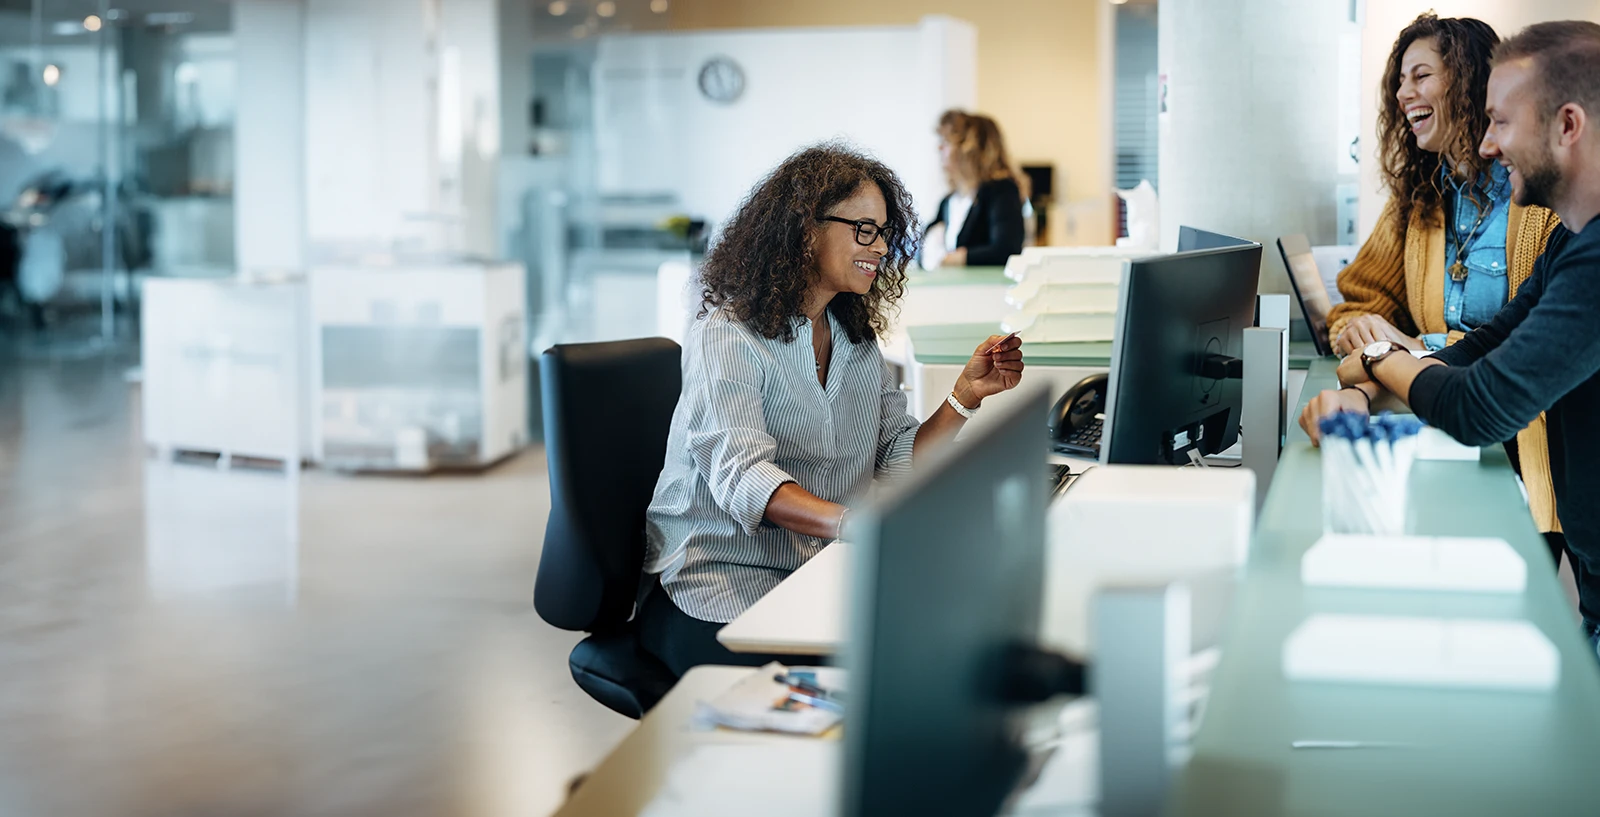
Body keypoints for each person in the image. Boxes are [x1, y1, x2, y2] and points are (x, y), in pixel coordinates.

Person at [638, 143, 1027, 677]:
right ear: (805, 231)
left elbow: (893, 455)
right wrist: (854, 523)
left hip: (814, 570)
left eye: (885, 231)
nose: (880, 245)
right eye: (863, 229)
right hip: (721, 580)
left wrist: (964, 396)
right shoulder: (727, 336)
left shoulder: (854, 337)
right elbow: (744, 478)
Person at [1301, 21, 1600, 659]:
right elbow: (1481, 344)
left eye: (1502, 122)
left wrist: (1382, 359)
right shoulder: (1570, 242)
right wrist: (1366, 370)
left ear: (1567, 125)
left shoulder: (1580, 245)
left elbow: (1478, 401)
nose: (1491, 145)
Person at [1325, 13, 1565, 565]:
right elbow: (1358, 297)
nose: (1402, 92)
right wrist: (1360, 331)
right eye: (1400, 80)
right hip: (1446, 421)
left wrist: (1405, 353)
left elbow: (1534, 341)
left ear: (1467, 79)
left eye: (1420, 75)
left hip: (1521, 436)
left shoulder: (1539, 197)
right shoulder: (1419, 197)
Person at [924, 110, 1027, 268]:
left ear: (970, 149)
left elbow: (1006, 249)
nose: (939, 148)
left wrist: (955, 259)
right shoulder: (948, 201)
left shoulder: (1001, 190)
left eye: (947, 142)